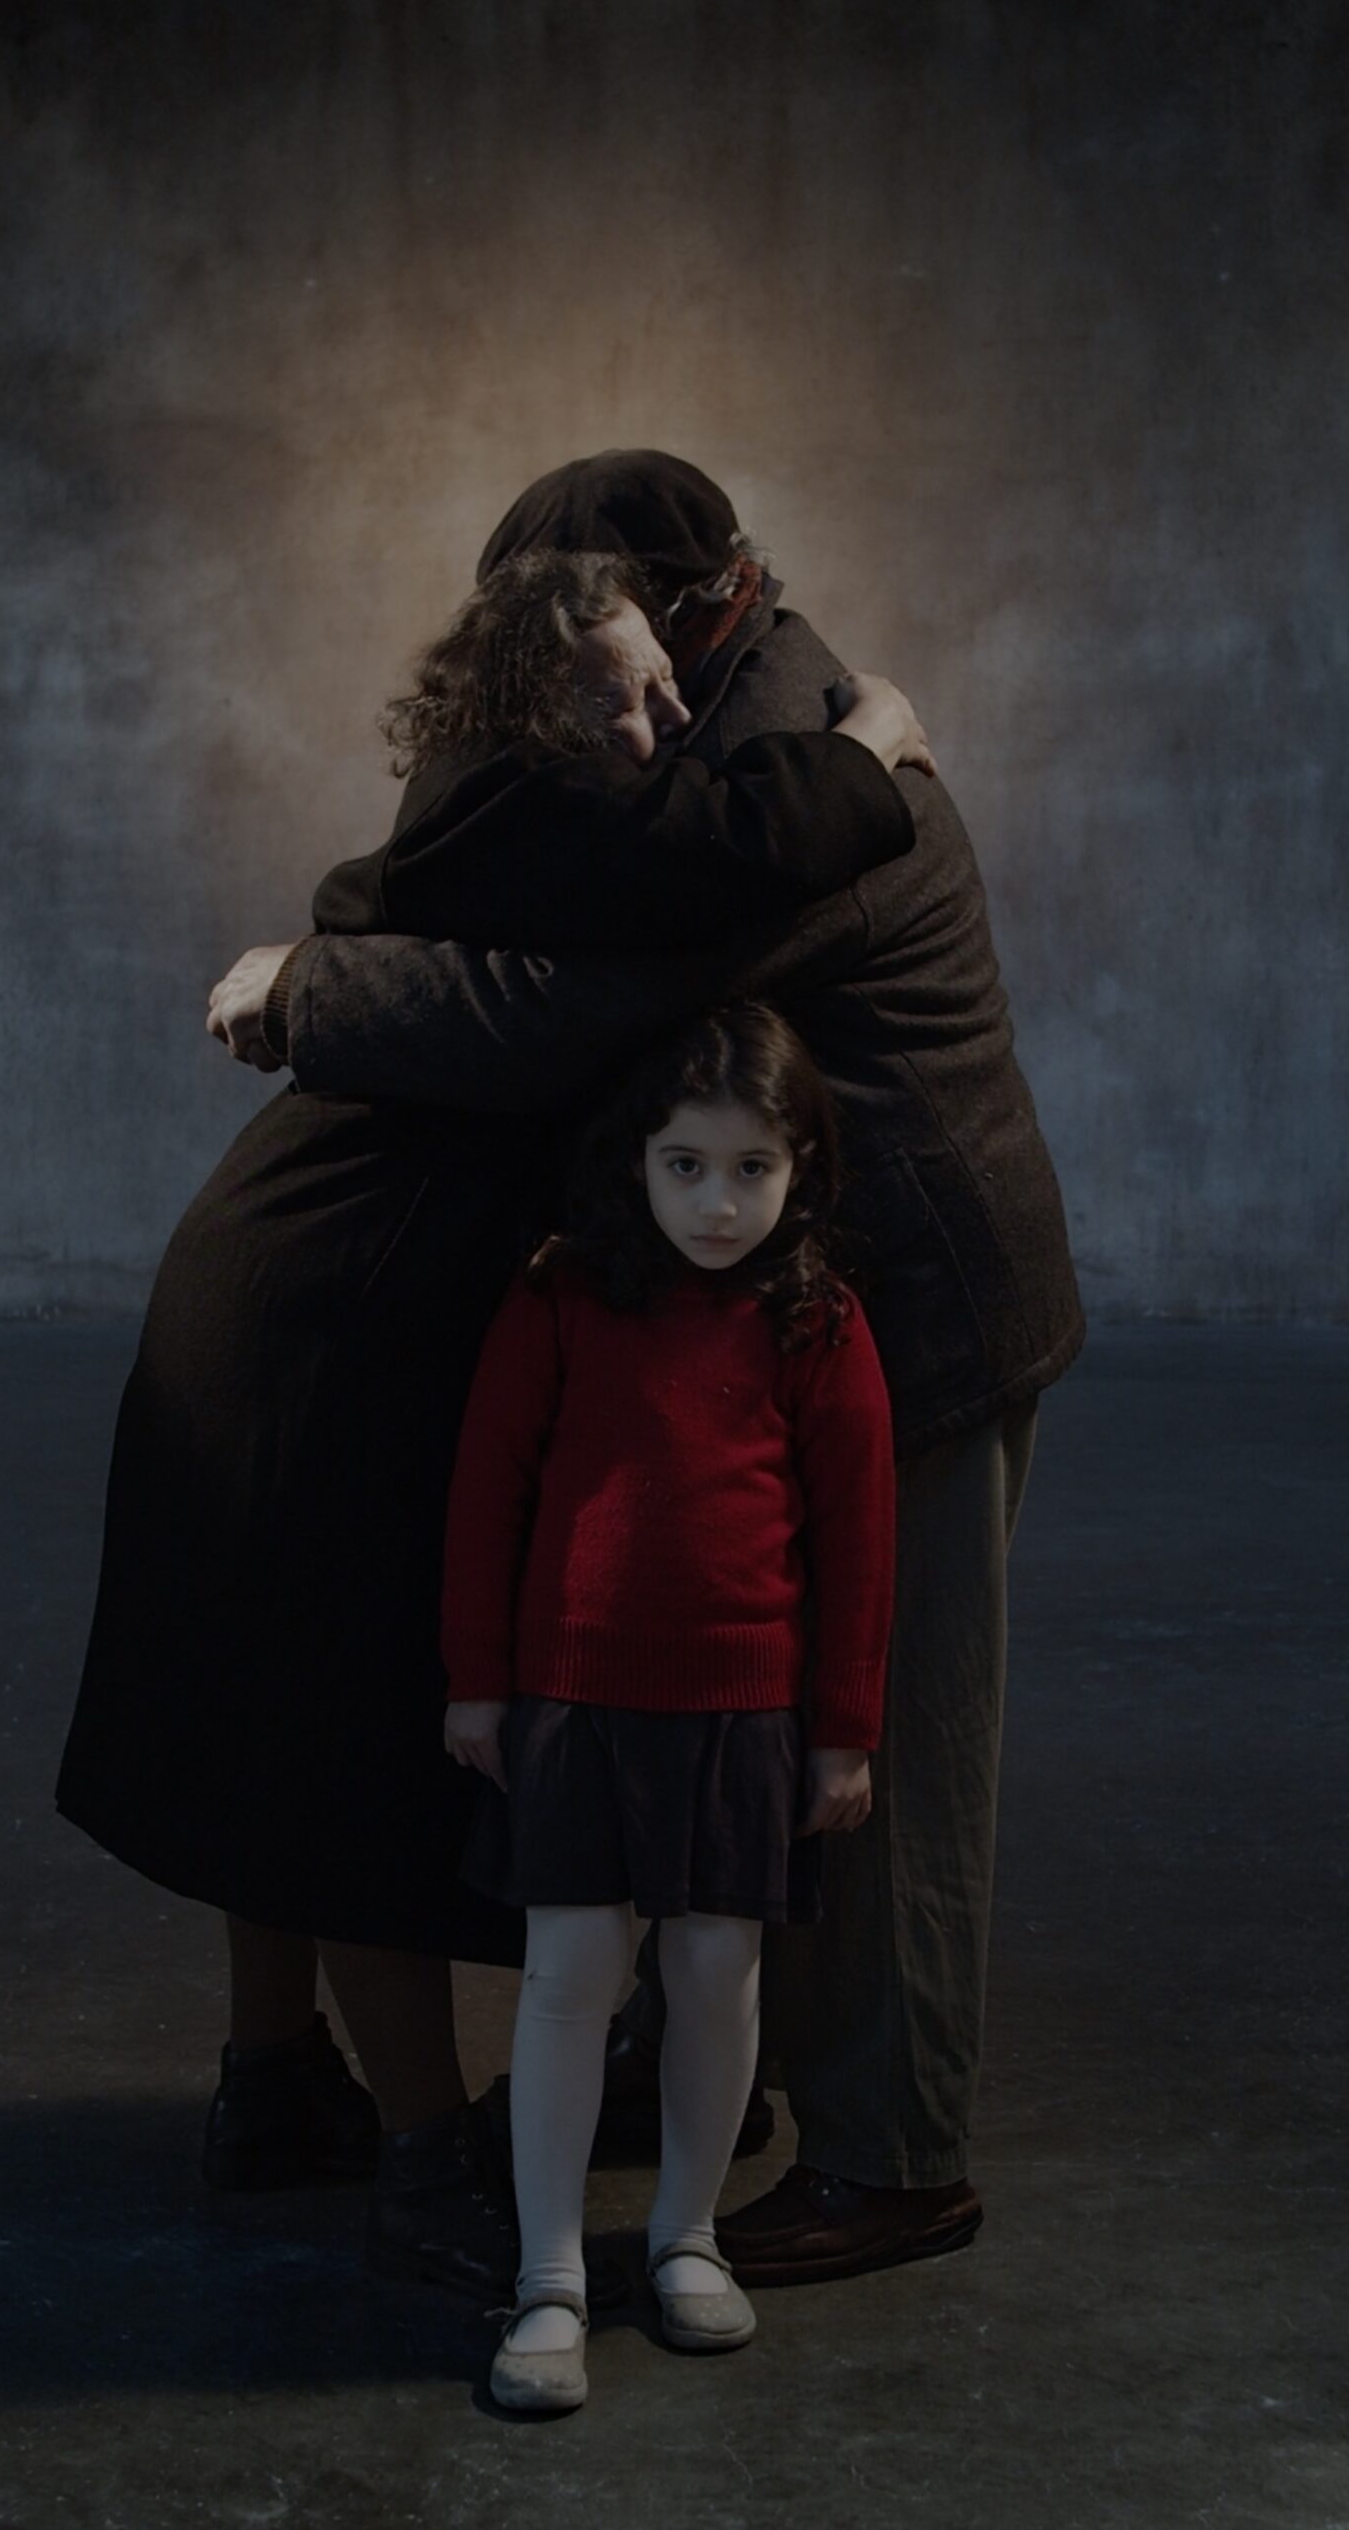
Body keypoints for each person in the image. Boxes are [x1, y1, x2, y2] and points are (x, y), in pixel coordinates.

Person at [207, 450, 1085, 2287]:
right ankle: (712, 2069)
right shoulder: (693, 748)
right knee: (760, 1729)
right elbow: (510, 876)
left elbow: (573, 1001)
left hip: (913, 1305)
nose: (591, 708)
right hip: (791, 1293)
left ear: (698, 608)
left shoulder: (810, 770)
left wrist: (309, 990)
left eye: (601, 658)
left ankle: (894, 2159)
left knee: (881, 1753)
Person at [56, 541, 930, 2299]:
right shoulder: (560, 829)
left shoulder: (506, 816)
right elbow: (670, 939)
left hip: (284, 1271)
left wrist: (308, 973)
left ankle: (270, 2084)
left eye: (662, 691)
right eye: (609, 696)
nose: (652, 729)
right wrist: (871, 752)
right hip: (323, 1308)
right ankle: (420, 2157)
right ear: (521, 715)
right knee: (346, 1756)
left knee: (277, 1722)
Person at [441, 1003, 895, 2413]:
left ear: (800, 1170)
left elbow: (859, 1533)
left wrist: (843, 1727)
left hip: (742, 1714)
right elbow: (488, 1489)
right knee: (569, 1977)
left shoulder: (816, 1317)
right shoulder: (563, 1294)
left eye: (752, 1169)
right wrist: (476, 1679)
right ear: (635, 1160)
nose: (716, 1203)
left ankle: (685, 2235)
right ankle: (549, 2276)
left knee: (712, 1975)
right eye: (685, 1166)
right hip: (574, 1703)